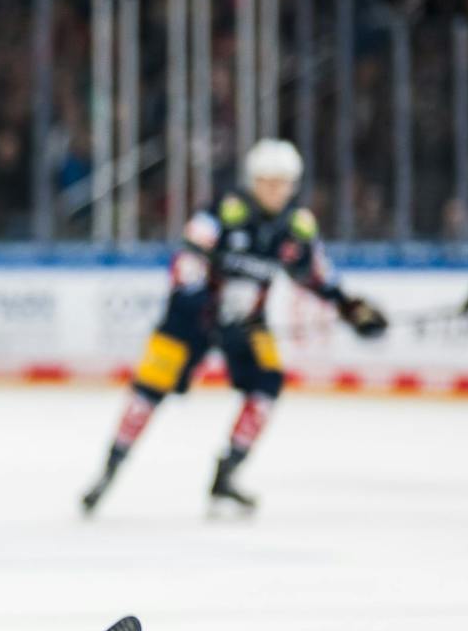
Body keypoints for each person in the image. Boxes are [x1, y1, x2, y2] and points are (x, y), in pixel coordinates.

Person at [80, 139, 388, 514]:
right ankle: (108, 471)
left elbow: (317, 276)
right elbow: (187, 263)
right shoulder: (220, 214)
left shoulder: (297, 229)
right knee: (148, 388)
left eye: (283, 182)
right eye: (268, 181)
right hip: (188, 320)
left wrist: (348, 307)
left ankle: (227, 474)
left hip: (246, 324)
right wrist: (201, 306)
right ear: (253, 181)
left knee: (268, 382)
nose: (275, 190)